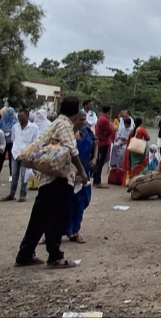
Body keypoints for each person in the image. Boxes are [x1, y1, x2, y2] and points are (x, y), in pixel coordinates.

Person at [14, 96, 89, 269]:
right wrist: (82, 172)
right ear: (75, 111)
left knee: (39, 218)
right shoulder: (64, 125)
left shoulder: (55, 123)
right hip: (59, 178)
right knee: (57, 217)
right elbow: (72, 150)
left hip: (48, 177)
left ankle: (25, 254)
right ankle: (55, 256)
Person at [67, 112, 95, 244]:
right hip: (69, 173)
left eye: (84, 119)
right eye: (80, 119)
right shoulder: (67, 133)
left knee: (81, 201)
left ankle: (75, 231)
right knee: (65, 203)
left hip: (85, 171)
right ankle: (55, 231)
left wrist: (95, 158)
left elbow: (96, 142)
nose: (83, 121)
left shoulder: (87, 130)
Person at [2, 110, 38, 202]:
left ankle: (22, 194)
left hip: (26, 154)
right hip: (15, 153)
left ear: (27, 116)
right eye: (18, 116)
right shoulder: (15, 127)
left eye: (21, 116)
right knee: (14, 175)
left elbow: (35, 142)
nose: (19, 118)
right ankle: (11, 194)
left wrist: (30, 155)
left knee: (24, 175)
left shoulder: (33, 127)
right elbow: (14, 139)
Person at [122, 117, 152, 186]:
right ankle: (141, 179)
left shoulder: (132, 131)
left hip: (133, 150)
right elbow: (148, 138)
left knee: (134, 165)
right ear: (141, 123)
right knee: (142, 163)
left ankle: (132, 180)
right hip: (140, 149)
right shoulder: (142, 129)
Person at [0, 106, 18, 183]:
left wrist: (11, 131)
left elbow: (17, 130)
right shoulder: (2, 120)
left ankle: (11, 175)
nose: (10, 115)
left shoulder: (15, 120)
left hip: (12, 142)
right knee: (1, 159)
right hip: (3, 141)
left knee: (11, 159)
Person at [92, 106, 115, 189]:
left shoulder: (101, 118)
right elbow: (110, 131)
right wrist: (111, 127)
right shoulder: (104, 120)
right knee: (100, 162)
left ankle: (96, 180)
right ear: (109, 111)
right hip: (103, 142)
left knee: (99, 162)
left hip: (101, 141)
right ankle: (97, 181)